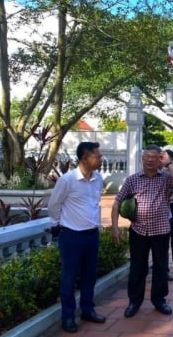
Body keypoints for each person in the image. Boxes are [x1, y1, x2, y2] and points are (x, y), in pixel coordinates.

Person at [110, 144, 173, 318]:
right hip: (138, 230)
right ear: (142, 158)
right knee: (138, 267)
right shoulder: (132, 179)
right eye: (147, 156)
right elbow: (116, 202)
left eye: (154, 156)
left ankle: (159, 300)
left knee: (160, 267)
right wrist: (115, 227)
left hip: (160, 230)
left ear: (159, 158)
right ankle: (134, 302)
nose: (150, 159)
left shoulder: (166, 178)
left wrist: (168, 164)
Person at [48, 142, 105, 333]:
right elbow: (54, 205)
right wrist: (60, 224)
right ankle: (68, 317)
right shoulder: (67, 180)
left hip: (91, 235)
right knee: (69, 278)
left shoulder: (98, 178)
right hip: (71, 236)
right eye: (97, 156)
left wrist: (97, 225)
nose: (100, 159)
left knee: (90, 276)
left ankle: (88, 310)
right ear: (84, 159)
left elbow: (94, 204)